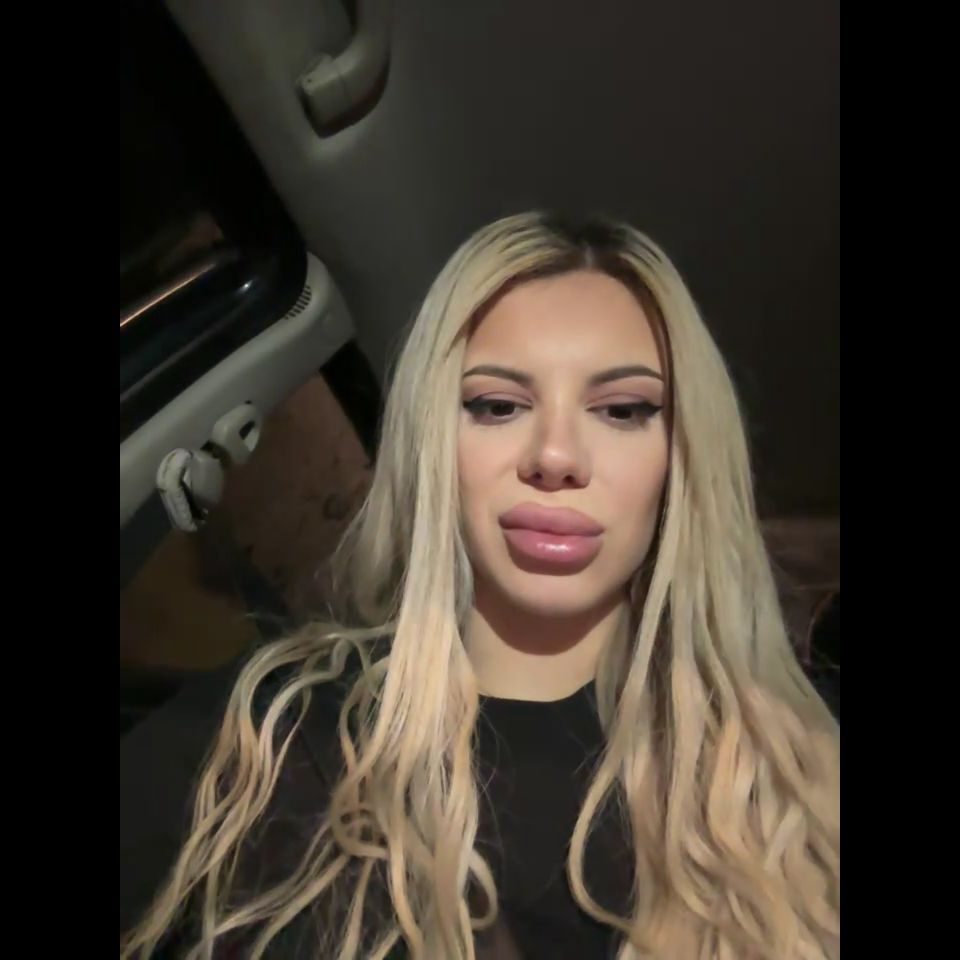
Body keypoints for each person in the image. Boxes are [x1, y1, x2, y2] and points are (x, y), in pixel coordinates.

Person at [120, 212, 840, 960]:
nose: (555, 456)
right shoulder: (266, 738)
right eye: (497, 406)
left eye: (623, 411)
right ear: (433, 441)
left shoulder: (799, 772)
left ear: (683, 457)